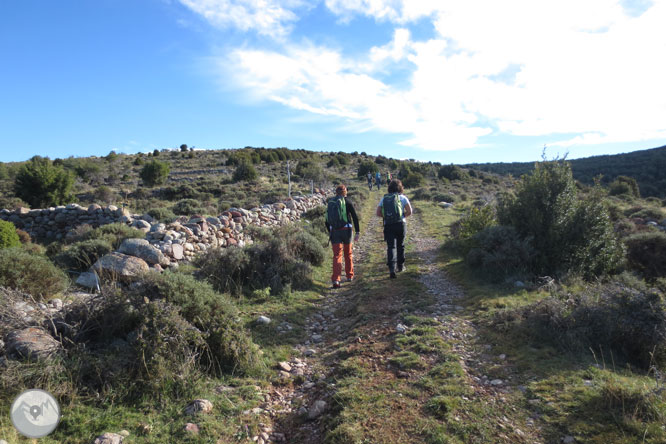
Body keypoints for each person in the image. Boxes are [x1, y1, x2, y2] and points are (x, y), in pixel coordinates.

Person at [325, 184, 360, 288]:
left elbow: (327, 220)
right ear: (345, 192)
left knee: (337, 255)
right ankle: (349, 275)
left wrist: (330, 232)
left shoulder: (331, 202)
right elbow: (355, 217)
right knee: (348, 253)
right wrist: (357, 232)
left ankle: (336, 280)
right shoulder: (348, 201)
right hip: (347, 230)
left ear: (336, 192)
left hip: (335, 231)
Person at [376, 179, 412, 279]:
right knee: (401, 245)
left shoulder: (384, 198)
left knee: (391, 246)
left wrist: (387, 217)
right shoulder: (403, 197)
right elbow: (410, 211)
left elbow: (378, 213)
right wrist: (402, 216)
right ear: (400, 188)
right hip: (401, 224)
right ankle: (400, 266)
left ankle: (392, 269)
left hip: (389, 225)